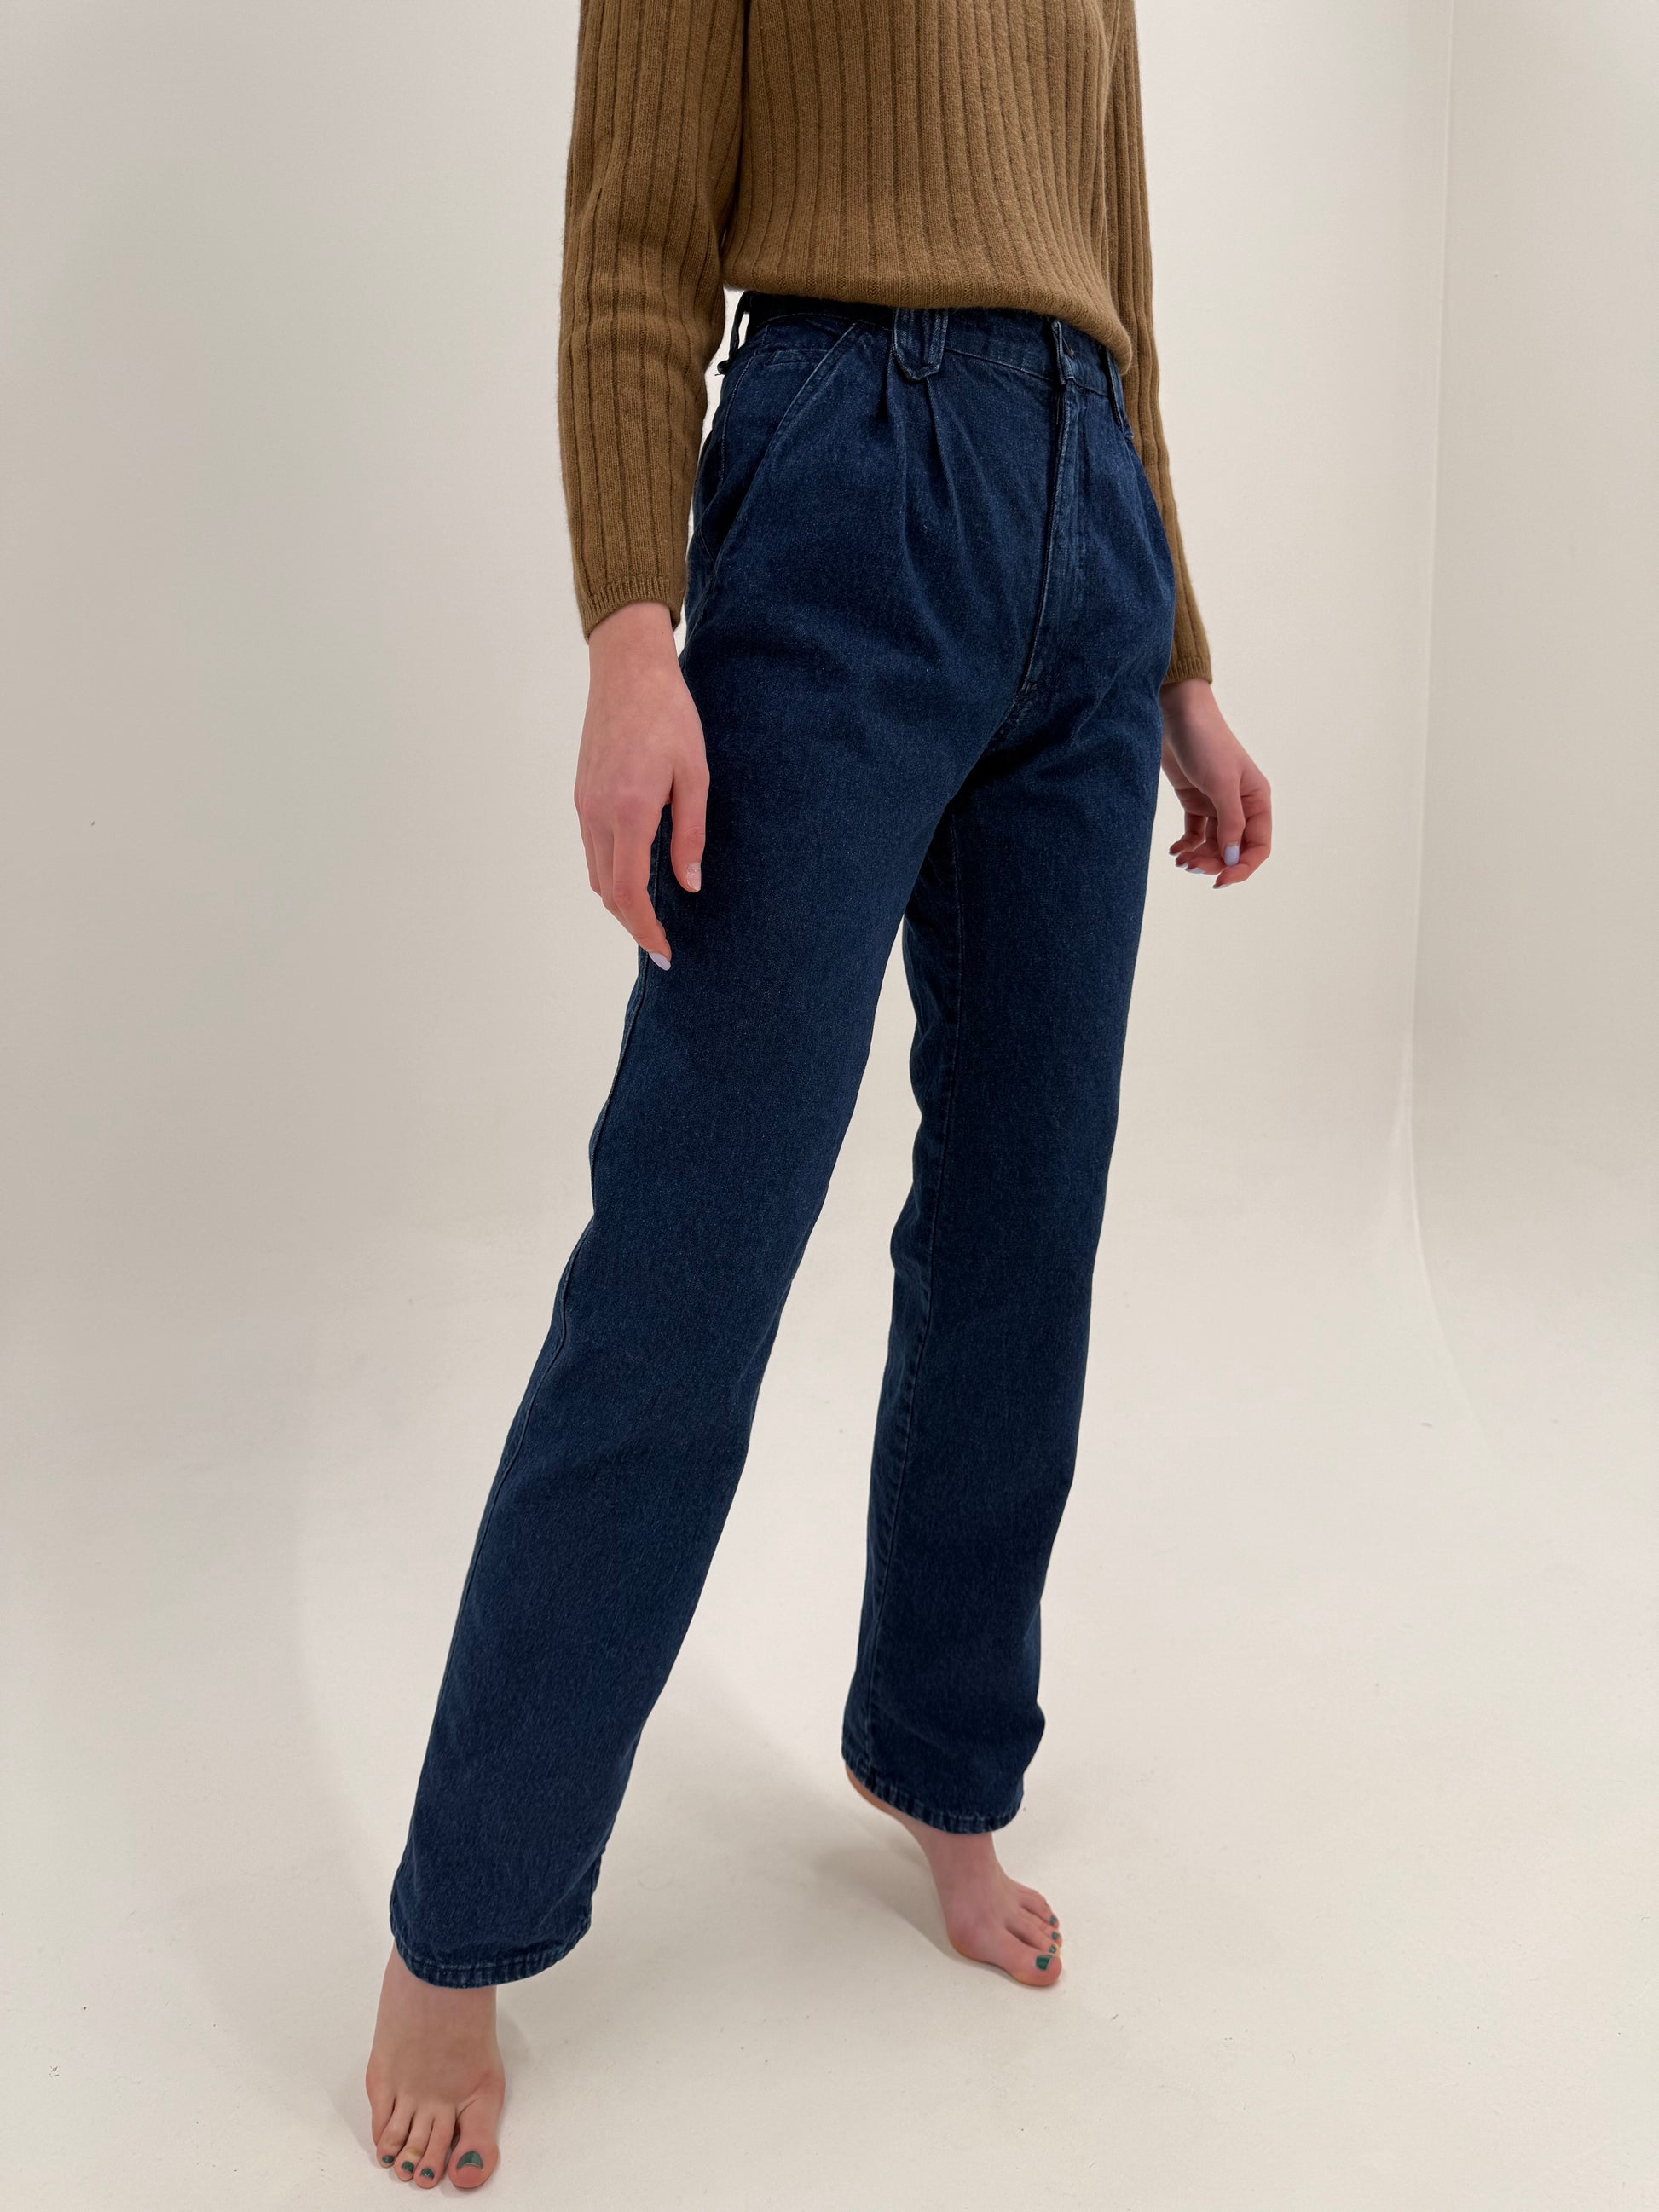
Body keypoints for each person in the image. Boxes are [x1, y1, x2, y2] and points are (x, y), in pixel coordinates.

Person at [365, 0, 1272, 2187]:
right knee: (694, 1239)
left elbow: (1120, 292)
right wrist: (629, 626)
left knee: (1024, 1220)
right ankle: (459, 1918)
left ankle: (940, 1757)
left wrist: (1177, 656)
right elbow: (631, 241)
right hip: (846, 482)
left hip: (1083, 536)